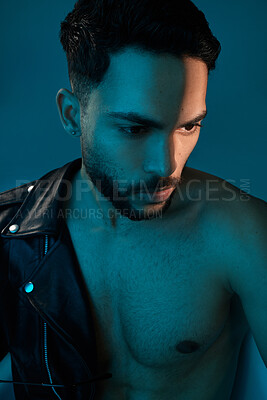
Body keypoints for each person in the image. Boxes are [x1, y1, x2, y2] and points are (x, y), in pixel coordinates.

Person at [0, 0, 266, 399]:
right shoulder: (12, 230)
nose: (167, 165)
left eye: (189, 126)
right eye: (135, 129)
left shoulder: (244, 234)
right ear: (73, 115)